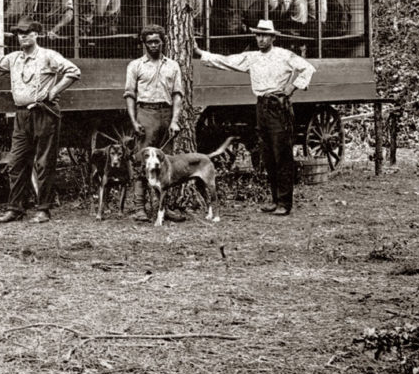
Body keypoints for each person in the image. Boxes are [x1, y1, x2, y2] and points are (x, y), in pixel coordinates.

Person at [0, 20, 81, 223]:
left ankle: (43, 209)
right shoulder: (13, 59)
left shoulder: (48, 56)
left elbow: (73, 71)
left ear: (36, 34)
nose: (22, 36)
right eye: (19, 33)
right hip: (22, 115)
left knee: (44, 162)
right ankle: (15, 209)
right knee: (17, 162)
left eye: (27, 32)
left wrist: (54, 91)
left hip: (44, 113)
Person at [194, 19, 316, 216]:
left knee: (282, 154)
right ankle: (275, 199)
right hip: (261, 106)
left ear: (273, 37)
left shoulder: (285, 55)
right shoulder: (251, 57)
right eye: (258, 35)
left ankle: (285, 202)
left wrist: (292, 86)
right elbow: (227, 61)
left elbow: (308, 68)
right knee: (267, 155)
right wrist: (201, 53)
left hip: (279, 106)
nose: (261, 39)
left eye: (265, 35)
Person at [123, 25, 186, 222]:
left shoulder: (173, 66)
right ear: (144, 43)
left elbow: (177, 95)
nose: (153, 45)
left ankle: (163, 208)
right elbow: (130, 95)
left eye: (156, 41)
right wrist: (134, 121)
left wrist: (175, 121)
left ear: (162, 42)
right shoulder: (135, 66)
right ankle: (139, 207)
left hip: (166, 114)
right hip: (146, 113)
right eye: (149, 41)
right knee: (142, 162)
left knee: (164, 163)